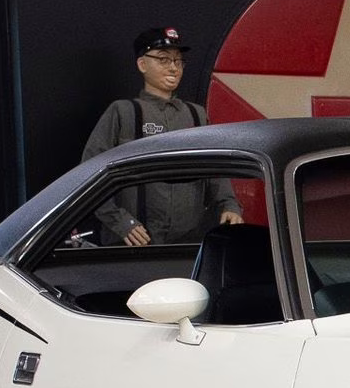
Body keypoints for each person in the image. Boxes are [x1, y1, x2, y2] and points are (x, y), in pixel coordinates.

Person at [81, 26, 242, 245]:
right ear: (142, 64)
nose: (173, 68)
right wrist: (120, 222)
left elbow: (215, 168)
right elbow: (90, 174)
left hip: (186, 244)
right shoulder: (124, 112)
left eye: (178, 61)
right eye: (163, 60)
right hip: (133, 244)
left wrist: (229, 205)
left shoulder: (196, 115)